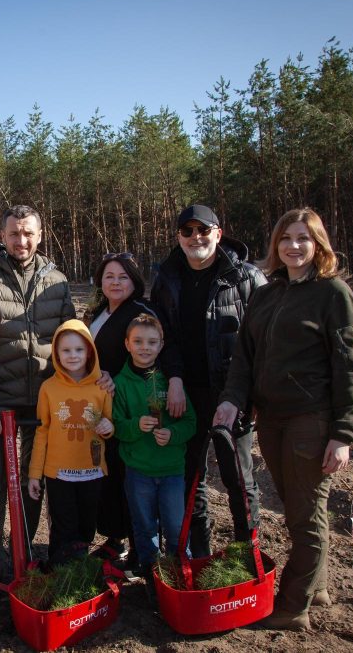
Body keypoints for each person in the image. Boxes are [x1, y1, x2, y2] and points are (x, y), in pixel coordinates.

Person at [214, 207, 353, 631]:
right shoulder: (268, 293)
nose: (293, 246)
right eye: (285, 238)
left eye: (303, 238)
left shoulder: (333, 294)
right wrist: (232, 400)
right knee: (298, 506)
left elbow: (351, 367)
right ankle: (316, 585)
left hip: (311, 419)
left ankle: (291, 605)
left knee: (306, 510)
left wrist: (343, 434)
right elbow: (245, 356)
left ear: (318, 244)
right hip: (272, 418)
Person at [0, 204, 77, 615]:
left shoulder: (57, 282)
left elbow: (70, 344)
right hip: (1, 408)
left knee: (33, 484)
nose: (21, 241)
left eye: (28, 234)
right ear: (3, 236)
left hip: (44, 408)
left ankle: (24, 561)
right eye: (14, 234)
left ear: (40, 235)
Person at [149, 204, 266, 559]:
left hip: (232, 394)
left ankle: (248, 554)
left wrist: (251, 395)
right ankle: (198, 554)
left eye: (204, 230)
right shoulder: (167, 279)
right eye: (188, 231)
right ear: (178, 237)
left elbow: (263, 342)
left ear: (218, 233)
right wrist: (175, 380)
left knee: (238, 478)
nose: (196, 237)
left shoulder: (245, 277)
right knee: (189, 478)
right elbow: (162, 336)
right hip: (185, 393)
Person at [113, 314, 196, 605]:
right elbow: (117, 427)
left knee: (175, 527)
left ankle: (180, 575)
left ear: (161, 346)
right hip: (138, 471)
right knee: (144, 526)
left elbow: (191, 423)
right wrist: (137, 426)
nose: (144, 348)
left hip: (172, 471)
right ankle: (152, 577)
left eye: (151, 342)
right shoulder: (120, 384)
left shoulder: (170, 383)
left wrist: (172, 434)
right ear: (127, 344)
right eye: (137, 341)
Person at [84, 252, 157, 564]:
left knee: (132, 476)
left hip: (129, 406)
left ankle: (143, 548)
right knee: (110, 474)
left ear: (134, 281)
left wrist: (120, 379)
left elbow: (149, 357)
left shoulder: (140, 313)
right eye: (109, 276)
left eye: (123, 277)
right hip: (102, 407)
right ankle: (116, 539)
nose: (115, 282)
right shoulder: (99, 312)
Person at [27, 320, 114, 565]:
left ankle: (79, 573)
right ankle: (59, 571)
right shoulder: (49, 388)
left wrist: (108, 428)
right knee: (63, 526)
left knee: (87, 527)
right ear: (56, 353)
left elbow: (108, 422)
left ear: (90, 352)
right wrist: (36, 474)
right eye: (66, 350)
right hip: (59, 474)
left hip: (92, 471)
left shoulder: (101, 388)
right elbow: (42, 432)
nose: (73, 355)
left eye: (79, 349)